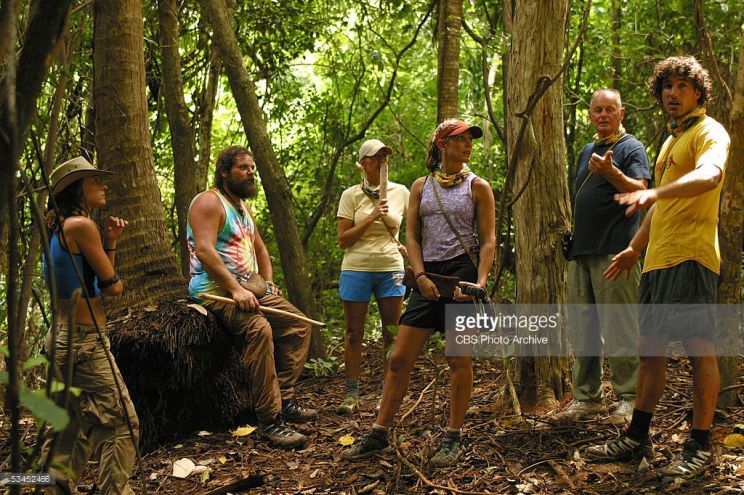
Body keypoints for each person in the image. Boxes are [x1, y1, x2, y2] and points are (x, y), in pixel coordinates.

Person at [584, 56, 729, 480]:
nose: (672, 93)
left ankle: (700, 444)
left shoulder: (708, 131)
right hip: (657, 261)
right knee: (651, 353)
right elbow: (658, 205)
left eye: (682, 85)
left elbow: (711, 175)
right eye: (667, 86)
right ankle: (636, 437)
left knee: (700, 348)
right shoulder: (670, 142)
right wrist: (633, 249)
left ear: (698, 92)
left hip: (692, 256)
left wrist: (654, 193)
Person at [342, 119, 496, 467]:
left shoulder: (478, 186)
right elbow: (411, 236)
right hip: (427, 275)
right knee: (398, 358)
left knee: (459, 358)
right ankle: (379, 431)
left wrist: (481, 283)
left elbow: (487, 239)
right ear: (442, 144)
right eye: (459, 140)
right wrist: (420, 274)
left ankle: (453, 436)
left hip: (461, 275)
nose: (467, 145)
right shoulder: (420, 186)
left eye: (470, 140)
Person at [187, 145, 317, 450]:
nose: (250, 173)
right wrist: (234, 289)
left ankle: (284, 399)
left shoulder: (243, 208)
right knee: (260, 330)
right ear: (224, 172)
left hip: (248, 286)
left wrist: (268, 283)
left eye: (252, 169)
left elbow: (260, 248)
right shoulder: (208, 202)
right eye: (244, 168)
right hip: (214, 290)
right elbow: (204, 250)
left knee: (298, 325)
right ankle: (270, 421)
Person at [42, 156, 139, 494]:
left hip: (62, 340)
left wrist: (110, 240)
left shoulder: (59, 226)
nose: (103, 185)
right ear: (77, 188)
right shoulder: (82, 226)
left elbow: (93, 284)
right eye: (95, 180)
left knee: (72, 430)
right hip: (86, 343)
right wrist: (108, 251)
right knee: (123, 425)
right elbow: (112, 287)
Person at [556, 89, 650, 425]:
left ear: (621, 113)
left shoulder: (630, 148)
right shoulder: (586, 150)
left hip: (616, 252)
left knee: (620, 326)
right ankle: (587, 399)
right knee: (583, 328)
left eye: (610, 109)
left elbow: (642, 192)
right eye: (597, 110)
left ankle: (629, 399)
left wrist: (612, 173)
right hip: (582, 252)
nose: (603, 115)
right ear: (591, 115)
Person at [336, 139, 409, 414]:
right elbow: (343, 239)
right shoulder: (350, 195)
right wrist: (371, 216)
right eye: (375, 158)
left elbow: (412, 230)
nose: (381, 162)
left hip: (390, 267)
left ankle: (387, 394)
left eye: (384, 157)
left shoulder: (401, 192)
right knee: (354, 334)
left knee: (392, 333)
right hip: (356, 268)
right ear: (363, 162)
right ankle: (352, 395)